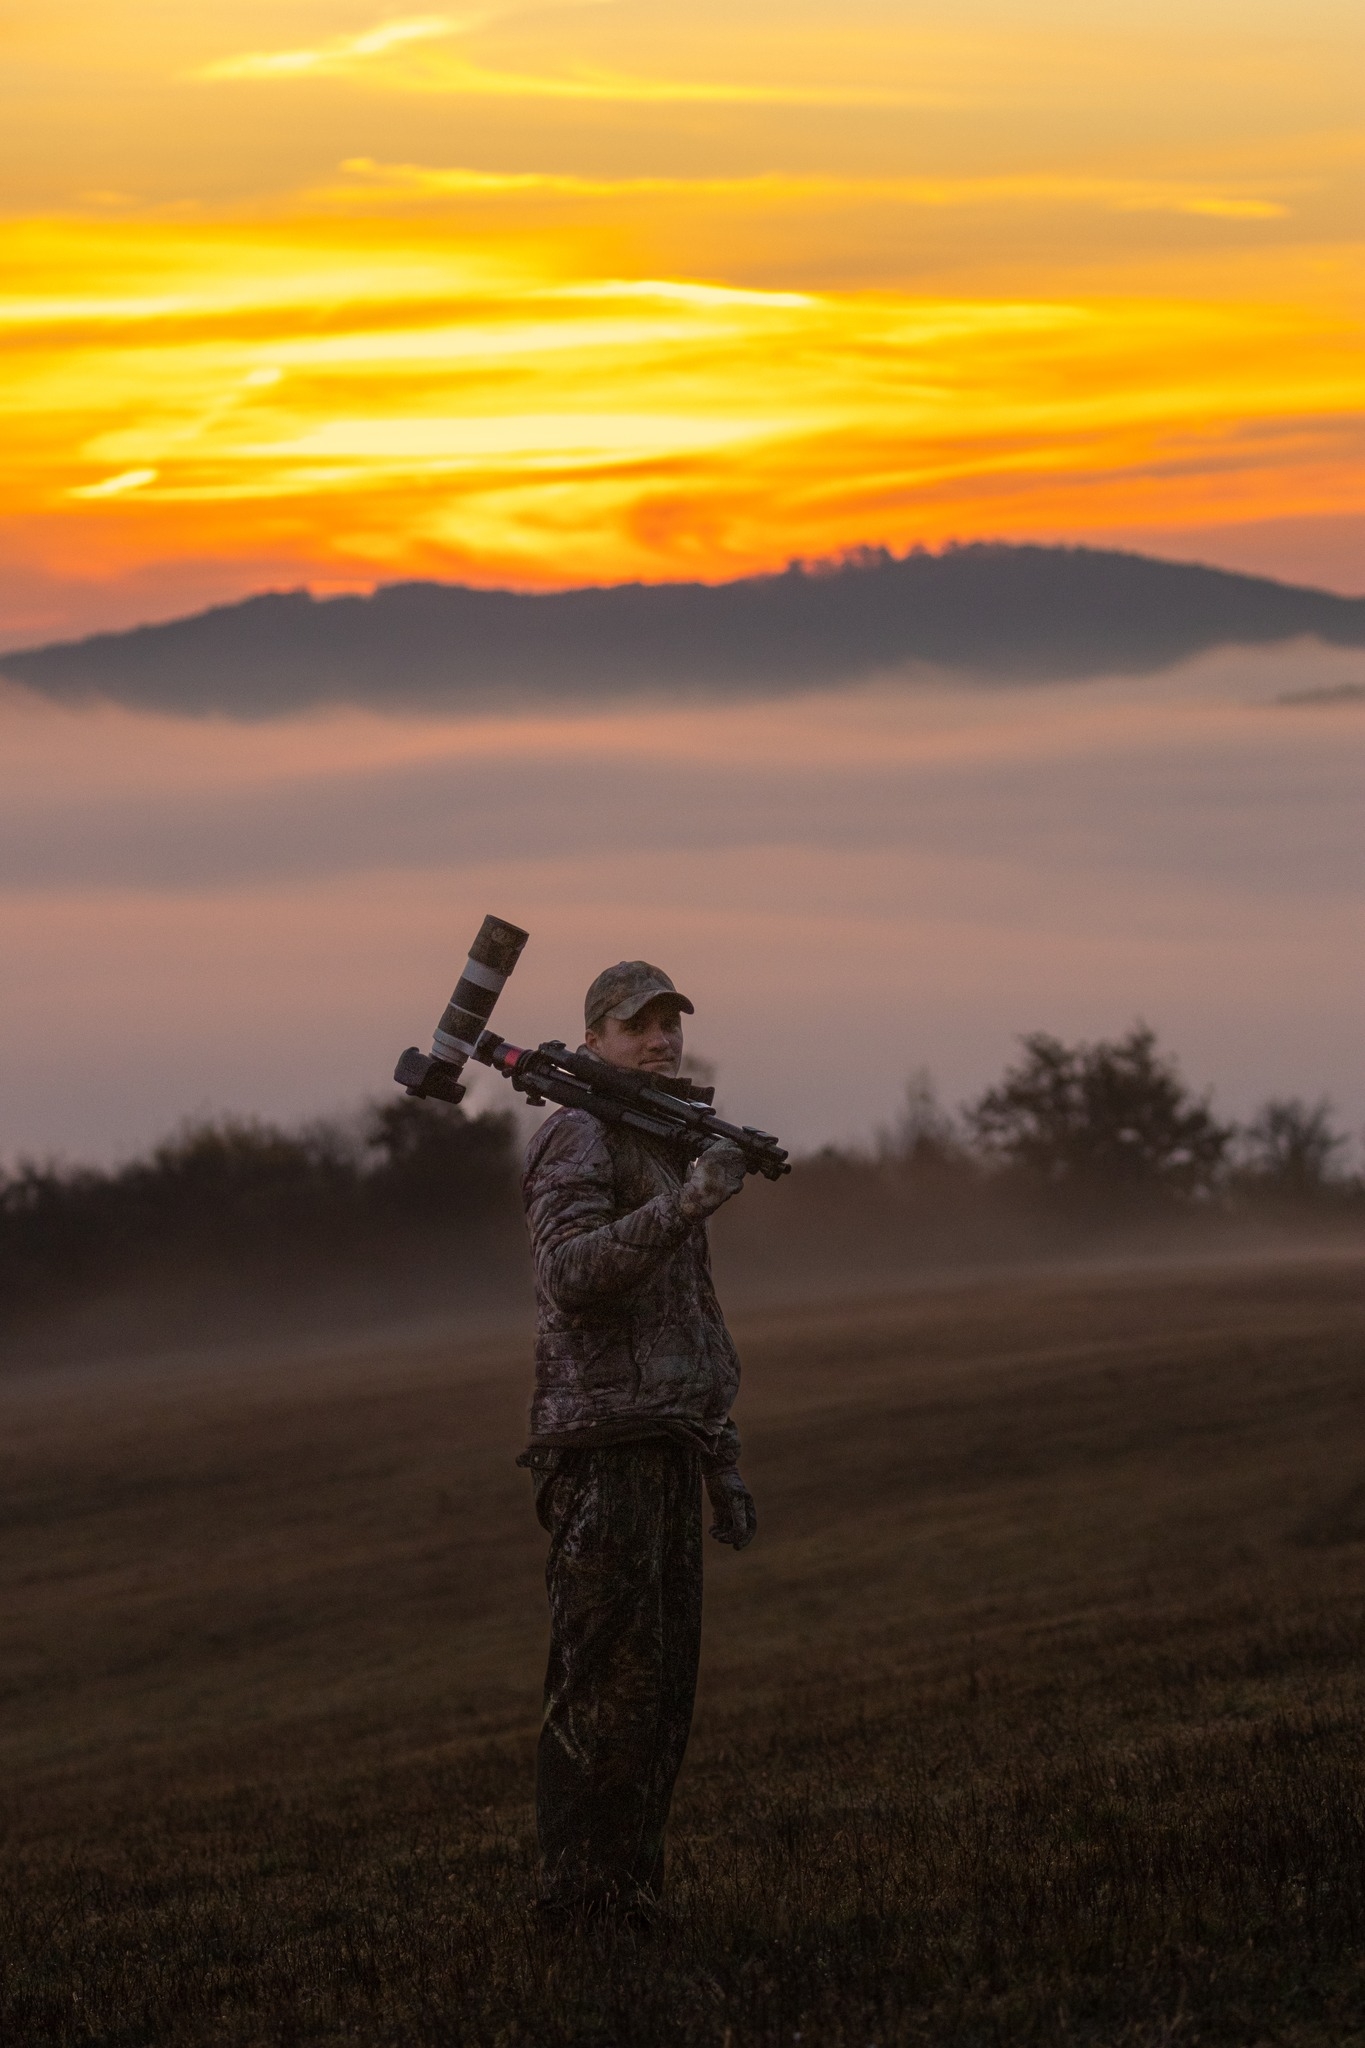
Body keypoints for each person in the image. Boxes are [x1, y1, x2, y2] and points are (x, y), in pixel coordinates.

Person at [517, 958, 757, 1923]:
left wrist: (721, 1459)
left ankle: (628, 1899)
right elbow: (568, 1273)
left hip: (664, 1443)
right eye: (636, 1025)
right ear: (593, 1041)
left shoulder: (660, 1143)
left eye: (669, 1023)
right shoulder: (576, 1133)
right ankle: (579, 1907)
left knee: (659, 1697)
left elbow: (684, 1323)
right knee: (604, 1689)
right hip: (604, 1448)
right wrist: (688, 1204)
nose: (660, 1039)